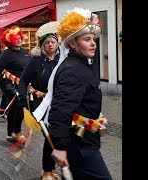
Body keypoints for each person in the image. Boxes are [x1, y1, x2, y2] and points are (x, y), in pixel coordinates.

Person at [34, 8, 112, 180]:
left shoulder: (82, 64)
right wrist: (60, 148)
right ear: (72, 44)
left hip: (85, 140)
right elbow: (60, 111)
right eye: (87, 39)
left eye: (93, 39)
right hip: (79, 145)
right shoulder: (72, 70)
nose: (93, 43)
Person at [17, 25, 60, 179]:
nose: (50, 44)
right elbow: (23, 80)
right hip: (39, 103)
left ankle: (50, 168)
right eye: (47, 42)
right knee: (49, 133)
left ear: (57, 44)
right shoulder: (35, 62)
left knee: (56, 135)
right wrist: (22, 98)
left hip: (57, 103)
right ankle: (47, 170)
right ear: (42, 45)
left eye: (53, 42)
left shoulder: (61, 61)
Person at [0, 26, 30, 143]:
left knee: (17, 107)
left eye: (20, 37)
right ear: (10, 40)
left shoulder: (25, 52)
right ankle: (16, 132)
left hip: (21, 84)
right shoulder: (7, 53)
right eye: (16, 38)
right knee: (18, 103)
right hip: (7, 83)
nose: (19, 40)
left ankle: (11, 133)